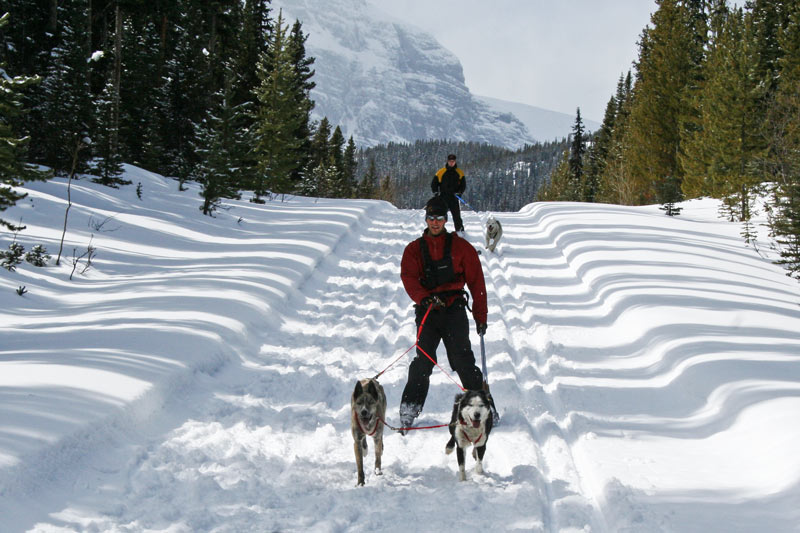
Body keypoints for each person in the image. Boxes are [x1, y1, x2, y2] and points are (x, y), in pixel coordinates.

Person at [398, 195, 488, 434]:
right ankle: (409, 407)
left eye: (439, 218)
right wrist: (422, 297)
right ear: (426, 219)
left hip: (454, 309)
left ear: (446, 220)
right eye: (431, 218)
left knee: (462, 360)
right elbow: (408, 277)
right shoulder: (414, 249)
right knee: (423, 360)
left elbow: (477, 282)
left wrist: (481, 316)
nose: (435, 222)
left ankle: (485, 407)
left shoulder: (462, 248)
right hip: (428, 310)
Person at [431, 154, 466, 233]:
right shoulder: (441, 172)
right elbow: (434, 183)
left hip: (454, 198)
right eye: (450, 161)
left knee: (457, 216)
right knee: (441, 216)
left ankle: (460, 232)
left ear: (455, 162)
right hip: (443, 198)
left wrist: (459, 193)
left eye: (453, 161)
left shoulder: (459, 172)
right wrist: (436, 192)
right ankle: (439, 231)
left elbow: (463, 185)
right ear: (447, 161)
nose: (451, 163)